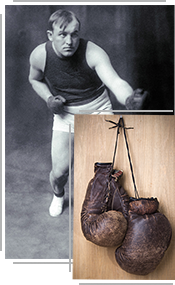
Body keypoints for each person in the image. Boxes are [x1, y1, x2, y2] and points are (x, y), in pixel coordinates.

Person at [28, 9, 148, 217]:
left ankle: (108, 202)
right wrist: (49, 99)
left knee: (109, 166)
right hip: (66, 115)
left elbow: (114, 81)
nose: (69, 41)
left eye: (74, 34)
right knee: (59, 173)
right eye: (62, 35)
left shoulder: (93, 52)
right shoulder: (40, 55)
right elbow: (34, 79)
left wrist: (129, 99)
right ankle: (58, 195)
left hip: (98, 109)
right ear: (51, 36)